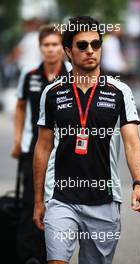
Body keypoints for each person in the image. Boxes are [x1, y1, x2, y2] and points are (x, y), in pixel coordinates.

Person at [33, 16, 140, 264]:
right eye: (82, 45)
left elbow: (132, 141)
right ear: (68, 51)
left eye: (96, 45)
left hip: (104, 200)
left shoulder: (119, 91)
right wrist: (38, 201)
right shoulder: (52, 93)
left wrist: (139, 183)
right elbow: (42, 147)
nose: (90, 51)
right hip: (60, 197)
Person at [11, 24, 67, 264]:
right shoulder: (30, 73)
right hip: (33, 145)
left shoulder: (73, 74)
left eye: (55, 44)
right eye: (46, 45)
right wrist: (17, 141)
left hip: (64, 146)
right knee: (29, 202)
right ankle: (29, 256)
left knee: (58, 203)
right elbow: (20, 106)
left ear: (63, 49)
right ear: (40, 48)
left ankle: (53, 255)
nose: (51, 49)